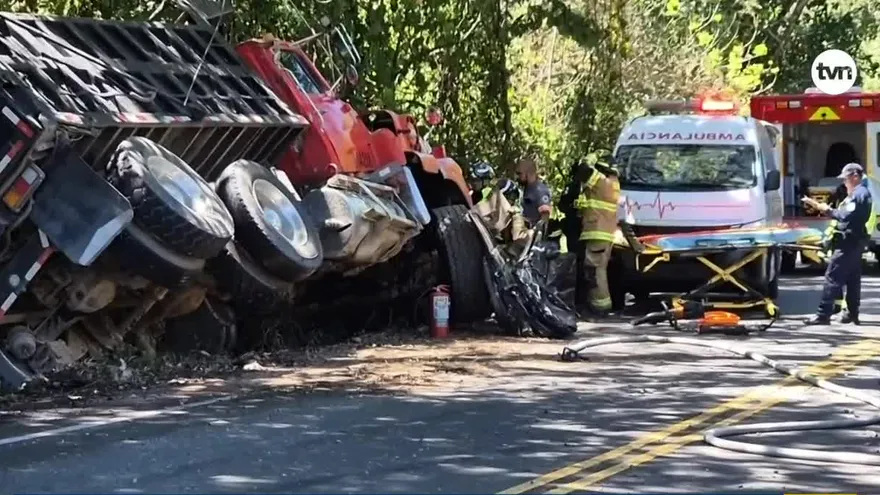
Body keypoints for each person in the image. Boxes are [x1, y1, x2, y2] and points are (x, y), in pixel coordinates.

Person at [803, 163, 873, 325]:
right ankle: (852, 313)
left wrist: (825, 209)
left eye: (846, 179)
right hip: (854, 241)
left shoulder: (858, 194)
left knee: (832, 277)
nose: (844, 182)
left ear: (855, 177)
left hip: (848, 242)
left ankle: (823, 314)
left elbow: (845, 216)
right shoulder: (860, 193)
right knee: (852, 279)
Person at [577, 161, 620, 317]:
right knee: (599, 270)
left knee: (594, 271)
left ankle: (599, 307)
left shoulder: (602, 181)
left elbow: (583, 170)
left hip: (597, 231)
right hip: (605, 233)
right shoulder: (614, 183)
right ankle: (602, 305)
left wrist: (588, 160)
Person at [474, 178, 531, 258]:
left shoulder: (515, 217)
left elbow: (519, 239)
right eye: (511, 198)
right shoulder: (484, 210)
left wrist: (516, 218)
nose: (512, 201)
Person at [515, 158, 553, 226]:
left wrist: (536, 230)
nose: (517, 177)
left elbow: (545, 216)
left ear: (528, 174)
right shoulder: (527, 188)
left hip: (531, 229)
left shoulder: (540, 190)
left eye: (520, 173)